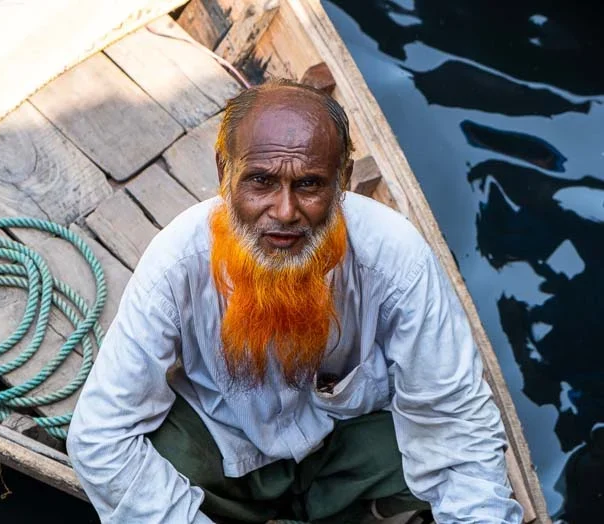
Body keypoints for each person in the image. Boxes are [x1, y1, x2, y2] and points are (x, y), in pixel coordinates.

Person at [66, 79, 523, 523]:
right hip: (226, 460)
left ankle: (364, 512)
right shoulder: (176, 263)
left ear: (342, 181)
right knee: (158, 444)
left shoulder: (395, 258)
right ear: (224, 172)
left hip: (341, 460)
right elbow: (100, 437)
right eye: (260, 181)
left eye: (309, 185)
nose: (285, 212)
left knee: (446, 443)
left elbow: (456, 424)